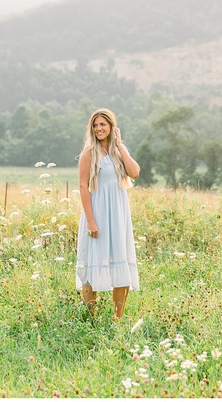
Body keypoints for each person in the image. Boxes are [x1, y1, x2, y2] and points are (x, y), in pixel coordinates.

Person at [75, 108, 140, 319]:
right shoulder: (88, 153)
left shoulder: (118, 150)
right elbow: (84, 187)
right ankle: (89, 318)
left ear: (111, 126)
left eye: (103, 124)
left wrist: (120, 146)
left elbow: (135, 172)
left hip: (118, 215)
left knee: (120, 261)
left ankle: (117, 318)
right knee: (94, 262)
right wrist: (91, 221)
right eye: (95, 125)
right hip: (98, 214)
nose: (99, 129)